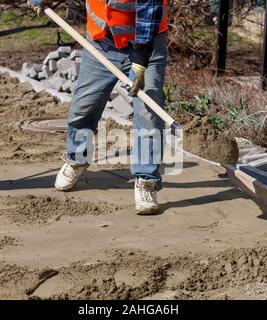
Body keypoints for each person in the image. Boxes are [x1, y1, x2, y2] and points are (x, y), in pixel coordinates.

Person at [28, 0, 168, 215]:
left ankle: (146, 180)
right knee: (84, 105)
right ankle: (77, 158)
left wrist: (141, 57)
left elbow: (149, 9)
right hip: (101, 43)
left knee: (148, 112)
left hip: (146, 44)